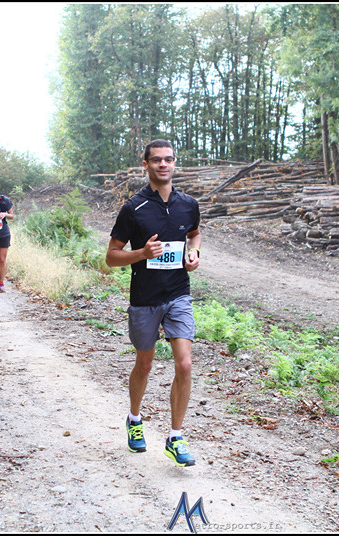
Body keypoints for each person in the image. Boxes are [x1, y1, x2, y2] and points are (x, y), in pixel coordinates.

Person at [105, 139, 201, 467]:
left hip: (178, 294)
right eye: (157, 160)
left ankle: (175, 437)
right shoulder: (133, 208)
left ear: (175, 164)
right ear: (145, 164)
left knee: (184, 365)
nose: (163, 164)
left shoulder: (188, 204)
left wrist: (194, 252)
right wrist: (142, 254)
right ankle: (134, 419)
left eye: (168, 159)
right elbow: (111, 257)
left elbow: (194, 233)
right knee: (144, 364)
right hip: (144, 298)